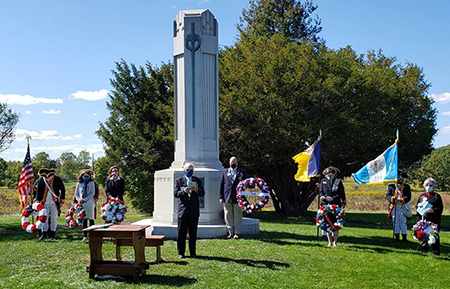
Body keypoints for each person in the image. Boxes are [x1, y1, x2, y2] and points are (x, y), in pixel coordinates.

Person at [174, 163, 205, 258]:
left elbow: (202, 193)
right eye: (187, 169)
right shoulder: (179, 180)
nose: (189, 171)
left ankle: (193, 253)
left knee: (193, 233)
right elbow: (176, 193)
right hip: (183, 211)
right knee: (181, 233)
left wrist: (196, 190)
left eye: (191, 170)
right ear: (184, 169)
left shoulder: (197, 180)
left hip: (193, 211)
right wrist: (184, 191)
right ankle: (181, 253)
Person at [33, 168, 65, 239]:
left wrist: (62, 201)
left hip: (54, 202)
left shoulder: (57, 179)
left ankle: (52, 235)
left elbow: (62, 189)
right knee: (44, 219)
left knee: (54, 219)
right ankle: (44, 234)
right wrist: (37, 200)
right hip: (44, 203)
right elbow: (37, 191)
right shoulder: (41, 180)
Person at [219, 156, 247, 239]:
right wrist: (221, 197)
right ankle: (230, 232)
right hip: (227, 196)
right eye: (231, 162)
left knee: (238, 214)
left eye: (234, 162)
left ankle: (237, 232)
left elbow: (246, 184)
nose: (233, 164)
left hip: (238, 197)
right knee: (227, 214)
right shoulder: (224, 172)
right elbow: (221, 185)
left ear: (237, 163)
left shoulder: (241, 172)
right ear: (229, 163)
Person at [319, 167, 346, 247]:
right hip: (325, 204)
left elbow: (341, 193)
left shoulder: (338, 182)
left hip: (336, 204)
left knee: (335, 223)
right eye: (327, 175)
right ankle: (329, 242)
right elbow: (321, 192)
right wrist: (322, 197)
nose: (329, 176)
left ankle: (335, 242)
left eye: (331, 175)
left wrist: (334, 198)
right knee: (327, 223)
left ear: (334, 174)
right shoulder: (323, 181)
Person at [416, 178, 443, 255]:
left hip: (433, 219)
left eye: (430, 185)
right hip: (423, 219)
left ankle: (436, 251)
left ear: (434, 186)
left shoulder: (437, 196)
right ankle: (423, 250)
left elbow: (440, 208)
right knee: (422, 235)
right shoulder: (422, 196)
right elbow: (417, 208)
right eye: (427, 185)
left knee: (433, 235)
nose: (428, 186)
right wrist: (418, 206)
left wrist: (433, 210)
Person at [386, 172, 412, 242]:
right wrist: (393, 199)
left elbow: (408, 196)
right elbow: (388, 195)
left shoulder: (406, 187)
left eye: (401, 177)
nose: (400, 179)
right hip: (394, 206)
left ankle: (404, 237)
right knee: (395, 221)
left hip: (403, 205)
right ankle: (396, 236)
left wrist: (402, 200)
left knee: (403, 222)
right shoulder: (391, 186)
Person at [73, 170, 96, 241]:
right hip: (81, 202)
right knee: (84, 219)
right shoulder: (79, 184)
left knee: (91, 219)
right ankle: (85, 235)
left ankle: (93, 235)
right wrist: (79, 199)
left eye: (87, 176)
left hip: (89, 202)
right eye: (84, 176)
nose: (85, 177)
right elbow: (76, 193)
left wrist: (85, 199)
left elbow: (92, 193)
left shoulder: (91, 183)